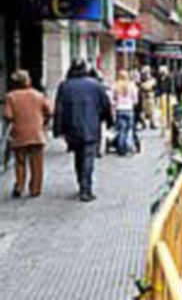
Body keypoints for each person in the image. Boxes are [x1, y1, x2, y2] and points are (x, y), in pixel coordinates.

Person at [53, 59, 113, 202]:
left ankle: (81, 182)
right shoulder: (96, 85)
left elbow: (59, 109)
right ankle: (85, 188)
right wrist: (109, 121)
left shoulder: (64, 86)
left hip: (72, 128)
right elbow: (106, 105)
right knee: (88, 157)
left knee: (78, 156)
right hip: (91, 127)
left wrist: (58, 129)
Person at [2, 70, 52, 198]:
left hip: (19, 134)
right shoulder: (38, 95)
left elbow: (8, 115)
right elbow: (49, 111)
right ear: (27, 81)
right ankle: (35, 188)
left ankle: (19, 186)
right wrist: (43, 122)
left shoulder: (11, 97)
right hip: (36, 133)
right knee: (37, 163)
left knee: (20, 161)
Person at [112, 70, 138, 155]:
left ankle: (120, 148)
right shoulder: (131, 85)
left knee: (121, 130)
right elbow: (135, 99)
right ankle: (128, 147)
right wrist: (132, 103)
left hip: (119, 109)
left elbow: (112, 99)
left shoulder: (115, 85)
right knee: (129, 129)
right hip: (129, 109)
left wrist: (115, 104)